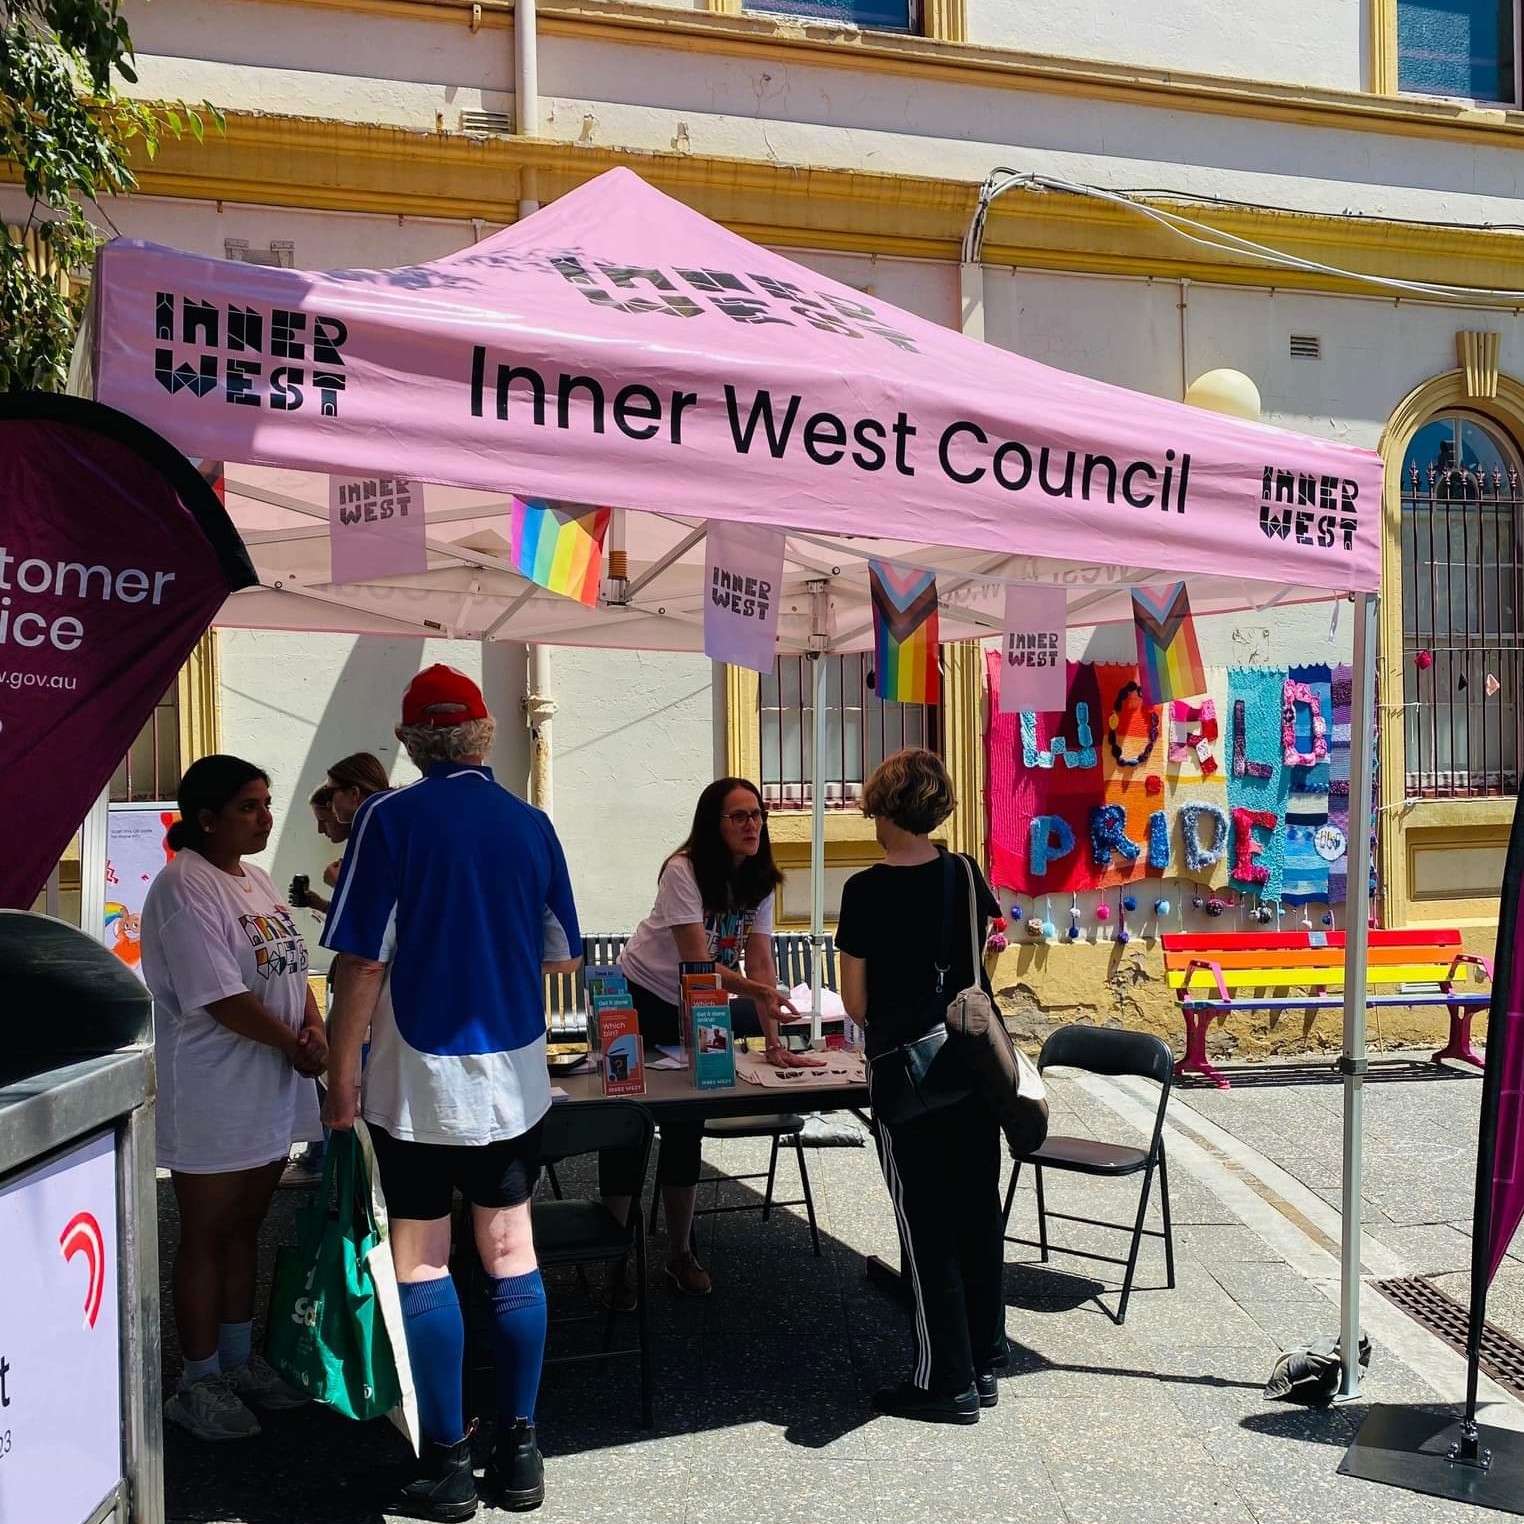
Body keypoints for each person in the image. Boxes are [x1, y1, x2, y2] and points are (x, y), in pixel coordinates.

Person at [321, 665, 582, 1521]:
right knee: (512, 1252)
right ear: (483, 737)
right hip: (513, 1069)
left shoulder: (387, 819)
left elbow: (361, 958)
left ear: (408, 742)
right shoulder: (532, 824)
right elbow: (561, 955)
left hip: (415, 1074)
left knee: (423, 1257)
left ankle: (448, 1462)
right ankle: (523, 1450)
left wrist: (342, 1068)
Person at [140, 754, 327, 1441]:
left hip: (271, 1086)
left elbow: (291, 965)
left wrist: (313, 1028)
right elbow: (218, 997)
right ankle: (197, 1381)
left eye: (266, 802)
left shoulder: (255, 877)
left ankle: (240, 1360)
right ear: (206, 818)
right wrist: (294, 1043)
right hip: (214, 1091)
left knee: (246, 1230)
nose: (265, 817)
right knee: (207, 1236)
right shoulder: (182, 888)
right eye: (249, 806)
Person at [601, 777, 823, 1301]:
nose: (752, 825)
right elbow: (696, 960)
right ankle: (613, 1259)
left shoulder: (761, 879)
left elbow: (762, 961)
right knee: (625, 1124)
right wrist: (754, 992)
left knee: (687, 1123)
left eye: (757, 815)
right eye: (739, 816)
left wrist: (772, 1042)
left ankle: (680, 1252)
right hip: (643, 998)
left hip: (698, 1005)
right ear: (713, 824)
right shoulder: (684, 871)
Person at [835, 748, 1006, 1426]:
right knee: (976, 1214)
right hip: (971, 1067)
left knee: (926, 1226)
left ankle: (946, 1381)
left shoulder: (866, 890)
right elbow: (991, 945)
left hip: (907, 1078)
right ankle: (986, 1359)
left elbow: (854, 1001)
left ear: (887, 812)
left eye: (873, 810)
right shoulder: (965, 872)